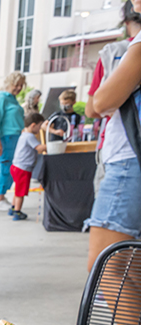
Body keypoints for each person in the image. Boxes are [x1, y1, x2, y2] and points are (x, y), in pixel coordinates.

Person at [84, 0, 141, 275]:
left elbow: (98, 103)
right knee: (129, 269)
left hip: (129, 159)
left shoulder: (135, 47)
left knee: (106, 267)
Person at [86, 1, 141, 194]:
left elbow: (94, 107)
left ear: (125, 21)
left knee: (105, 222)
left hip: (124, 147)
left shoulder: (114, 52)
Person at [0, 71, 27, 212]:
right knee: (4, 168)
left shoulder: (13, 99)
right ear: (9, 84)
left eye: (21, 85)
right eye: (16, 85)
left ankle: (1, 196)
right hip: (6, 138)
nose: (18, 88)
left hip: (15, 137)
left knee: (11, 170)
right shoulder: (1, 98)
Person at [9, 113, 48, 220]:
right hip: (23, 168)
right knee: (20, 192)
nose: (40, 128)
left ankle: (13, 208)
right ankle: (17, 212)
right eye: (39, 126)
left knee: (17, 189)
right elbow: (39, 148)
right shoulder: (30, 136)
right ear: (33, 125)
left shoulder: (24, 134)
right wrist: (50, 145)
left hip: (16, 166)